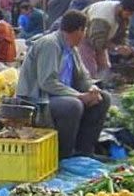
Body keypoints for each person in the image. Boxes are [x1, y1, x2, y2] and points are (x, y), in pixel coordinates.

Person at [16, 10, 111, 159]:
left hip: (59, 96)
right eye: (84, 30)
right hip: (38, 100)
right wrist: (79, 96)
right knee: (73, 105)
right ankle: (64, 155)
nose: (84, 34)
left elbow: (83, 76)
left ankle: (84, 151)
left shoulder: (72, 48)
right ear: (80, 30)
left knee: (103, 98)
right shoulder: (50, 44)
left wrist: (92, 88)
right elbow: (47, 82)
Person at [79, 0, 134, 78]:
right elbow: (97, 41)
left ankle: (103, 85)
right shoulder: (102, 17)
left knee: (105, 67)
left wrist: (124, 46)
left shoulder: (123, 15)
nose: (129, 16)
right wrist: (116, 48)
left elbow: (122, 35)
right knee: (90, 69)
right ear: (121, 8)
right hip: (84, 36)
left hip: (102, 39)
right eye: (128, 14)